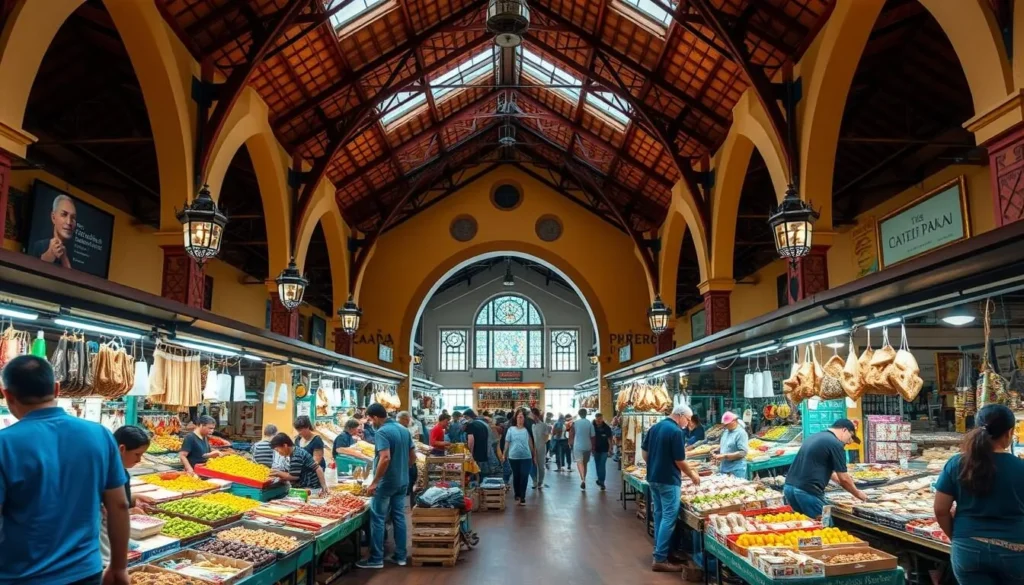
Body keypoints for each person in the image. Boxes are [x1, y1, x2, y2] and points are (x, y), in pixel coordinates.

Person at [0, 355, 130, 585]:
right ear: (57, 389)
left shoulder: (4, 444)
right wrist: (119, 567)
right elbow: (119, 505)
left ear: (6, 394)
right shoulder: (99, 434)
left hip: (22, 576)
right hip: (86, 572)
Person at [934, 404, 1024, 582]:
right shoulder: (1020, 468)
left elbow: (940, 509)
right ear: (1009, 433)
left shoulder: (956, 463)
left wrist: (959, 537)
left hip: (967, 548)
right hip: (1014, 550)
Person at [643, 404, 701, 572]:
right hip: (669, 480)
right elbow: (680, 460)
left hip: (653, 478)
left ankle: (663, 551)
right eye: (688, 420)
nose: (688, 424)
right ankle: (660, 558)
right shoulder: (676, 432)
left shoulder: (655, 427)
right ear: (680, 415)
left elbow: (645, 453)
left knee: (660, 514)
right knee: (669, 517)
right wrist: (692, 475)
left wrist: (656, 465)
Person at [358, 403, 415, 569]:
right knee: (399, 517)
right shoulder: (404, 430)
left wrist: (375, 481)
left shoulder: (382, 432)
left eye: (369, 419)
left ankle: (376, 559)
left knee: (378, 519)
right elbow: (412, 456)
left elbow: (385, 458)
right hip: (402, 481)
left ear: (376, 417)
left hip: (386, 483)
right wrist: (403, 468)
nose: (369, 422)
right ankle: (401, 556)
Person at [783, 419, 867, 520]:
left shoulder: (816, 436)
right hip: (807, 492)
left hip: (789, 488)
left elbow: (829, 472)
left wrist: (847, 483)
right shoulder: (835, 444)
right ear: (844, 430)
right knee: (827, 526)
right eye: (851, 436)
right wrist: (858, 494)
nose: (849, 442)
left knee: (806, 526)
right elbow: (844, 478)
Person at [100, 426, 150, 566]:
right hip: (103, 547)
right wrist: (127, 511)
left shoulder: (120, 472)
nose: (139, 460)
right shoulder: (106, 472)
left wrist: (134, 498)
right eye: (137, 454)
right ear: (122, 449)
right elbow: (105, 509)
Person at [29, 194, 77, 268]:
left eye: (73, 218)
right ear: (53, 217)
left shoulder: (77, 255)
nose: (69, 222)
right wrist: (48, 255)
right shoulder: (39, 246)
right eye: (64, 215)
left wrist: (64, 260)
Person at [501, 409, 535, 506]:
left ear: (524, 419)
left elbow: (531, 443)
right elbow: (507, 442)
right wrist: (504, 454)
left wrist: (534, 456)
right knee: (517, 476)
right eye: (518, 416)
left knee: (524, 475)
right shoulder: (511, 430)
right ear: (515, 418)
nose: (520, 418)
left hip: (526, 457)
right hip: (513, 457)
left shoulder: (527, 430)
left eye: (522, 416)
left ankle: (523, 496)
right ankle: (517, 494)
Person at [713, 412, 749, 478]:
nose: (725, 426)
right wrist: (718, 449)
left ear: (734, 421)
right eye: (724, 425)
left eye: (727, 424)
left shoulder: (741, 433)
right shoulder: (726, 431)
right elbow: (727, 444)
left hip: (736, 469)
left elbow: (743, 452)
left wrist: (725, 456)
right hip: (724, 467)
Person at [568, 408, 595, 490]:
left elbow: (571, 433)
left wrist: (570, 442)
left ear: (579, 414)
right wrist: (593, 447)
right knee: (585, 463)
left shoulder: (575, 423)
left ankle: (582, 479)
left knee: (579, 462)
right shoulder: (590, 423)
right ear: (586, 414)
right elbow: (593, 436)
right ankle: (584, 478)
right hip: (587, 446)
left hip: (578, 446)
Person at [397, 411, 419, 505]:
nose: (409, 421)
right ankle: (408, 507)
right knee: (407, 488)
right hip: (407, 464)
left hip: (404, 465)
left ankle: (406, 507)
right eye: (408, 419)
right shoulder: (405, 431)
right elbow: (412, 454)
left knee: (406, 488)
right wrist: (410, 465)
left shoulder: (402, 431)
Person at [463, 409, 490, 480]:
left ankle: (475, 486)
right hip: (483, 452)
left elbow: (471, 440)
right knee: (481, 474)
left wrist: (470, 454)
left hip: (476, 453)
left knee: (475, 473)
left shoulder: (471, 425)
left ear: (467, 417)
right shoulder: (482, 424)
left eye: (465, 418)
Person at [529, 407, 549, 490]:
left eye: (533, 415)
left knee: (541, 465)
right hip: (531, 448)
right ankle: (534, 481)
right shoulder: (531, 425)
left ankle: (540, 481)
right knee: (531, 465)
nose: (532, 417)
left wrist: (542, 443)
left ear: (537, 415)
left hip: (541, 447)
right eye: (531, 415)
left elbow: (547, 436)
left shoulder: (544, 425)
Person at [592, 412, 613, 490]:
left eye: (600, 419)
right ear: (595, 418)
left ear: (602, 418)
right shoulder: (592, 426)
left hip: (604, 449)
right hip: (595, 449)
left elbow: (609, 438)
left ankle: (602, 481)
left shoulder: (606, 427)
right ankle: (600, 479)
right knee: (597, 465)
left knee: (602, 465)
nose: (599, 421)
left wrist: (610, 448)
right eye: (597, 420)